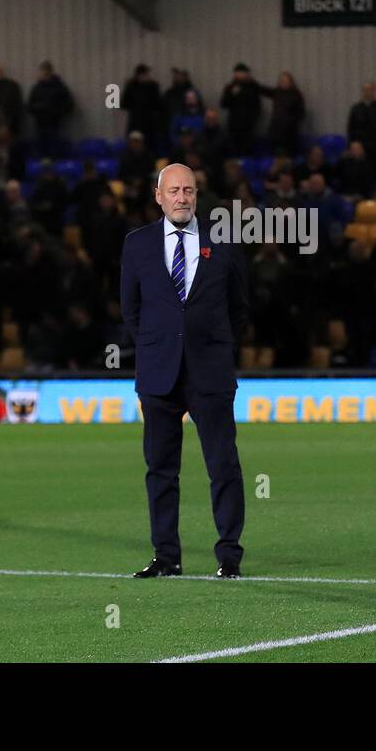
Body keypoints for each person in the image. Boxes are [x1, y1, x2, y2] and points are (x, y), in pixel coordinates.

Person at [119, 163, 249, 579]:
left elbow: (239, 308)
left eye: (189, 190)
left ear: (197, 195)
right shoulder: (136, 244)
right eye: (173, 191)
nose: (182, 197)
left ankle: (229, 556)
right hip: (159, 373)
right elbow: (131, 309)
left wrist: (214, 345)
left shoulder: (223, 242)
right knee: (160, 469)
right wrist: (159, 345)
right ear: (158, 196)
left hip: (209, 371)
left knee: (223, 465)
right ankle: (166, 557)